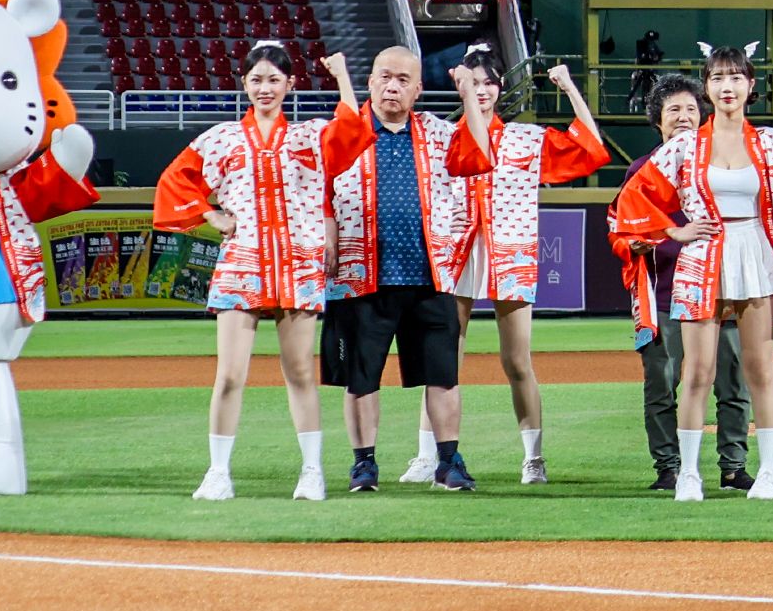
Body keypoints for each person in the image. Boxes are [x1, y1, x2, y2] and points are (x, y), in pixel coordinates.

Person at [612, 44, 773, 500]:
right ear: (708, 86)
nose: (727, 87)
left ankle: (768, 472)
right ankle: (687, 473)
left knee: (758, 371)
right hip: (702, 258)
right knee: (699, 371)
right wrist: (673, 231)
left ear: (750, 86)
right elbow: (632, 198)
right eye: (718, 78)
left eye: (736, 77)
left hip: (755, 257)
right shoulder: (685, 145)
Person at [153, 43, 359, 502]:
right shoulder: (221, 138)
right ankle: (218, 473)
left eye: (273, 80)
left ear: (290, 85)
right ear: (244, 84)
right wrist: (210, 216)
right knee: (229, 375)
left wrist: (342, 76)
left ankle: (311, 472)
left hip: (296, 264)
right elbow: (175, 180)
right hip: (242, 263)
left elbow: (353, 133)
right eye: (256, 80)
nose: (264, 88)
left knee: (300, 372)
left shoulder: (309, 136)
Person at [434, 50, 608, 485]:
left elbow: (590, 147)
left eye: (490, 81)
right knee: (443, 360)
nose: (482, 89)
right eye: (473, 81)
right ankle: (431, 456)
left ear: (500, 88)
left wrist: (568, 87)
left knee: (516, 359)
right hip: (457, 251)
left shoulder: (525, 139)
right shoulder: (442, 137)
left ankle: (533, 458)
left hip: (509, 252)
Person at [317, 45, 467, 492]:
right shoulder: (342, 133)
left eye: (403, 79)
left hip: (429, 274)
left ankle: (448, 461)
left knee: (443, 375)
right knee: (360, 379)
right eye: (385, 76)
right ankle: (364, 464)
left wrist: (459, 214)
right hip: (360, 275)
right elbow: (315, 184)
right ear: (370, 81)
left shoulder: (441, 135)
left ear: (418, 89)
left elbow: (476, 169)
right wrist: (326, 225)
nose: (392, 86)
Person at [611, 74, 746, 491]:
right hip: (664, 291)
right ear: (658, 121)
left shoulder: (721, 163)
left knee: (732, 380)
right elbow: (619, 231)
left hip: (720, 289)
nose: (684, 117)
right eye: (674, 110)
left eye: (691, 108)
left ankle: (733, 466)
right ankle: (669, 467)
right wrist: (668, 233)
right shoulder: (642, 171)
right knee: (662, 383)